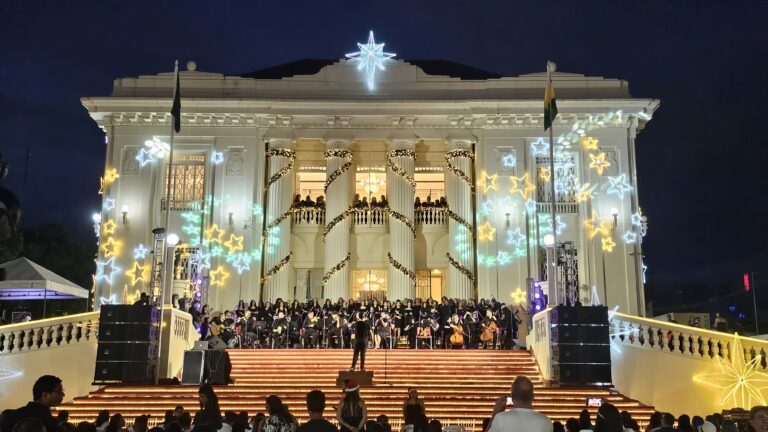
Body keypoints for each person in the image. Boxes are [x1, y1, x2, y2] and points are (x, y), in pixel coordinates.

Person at [487, 376, 552, 432]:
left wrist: (495, 413)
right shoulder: (546, 422)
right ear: (533, 397)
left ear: (512, 396)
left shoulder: (500, 419)